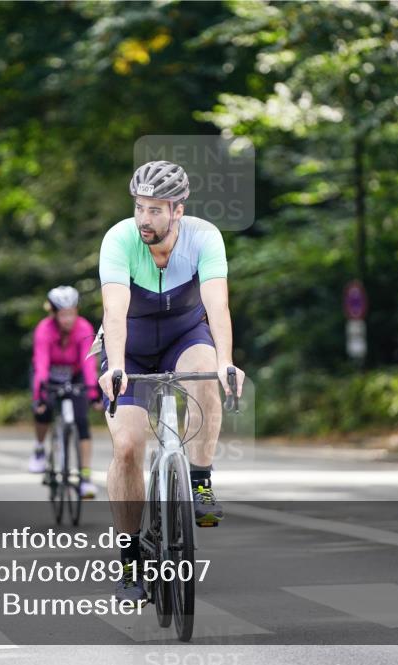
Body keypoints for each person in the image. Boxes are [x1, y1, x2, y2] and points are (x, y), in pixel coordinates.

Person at [97, 160, 245, 602]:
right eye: (140, 208)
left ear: (178, 210)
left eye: (156, 210)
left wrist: (226, 362)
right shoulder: (120, 239)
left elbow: (216, 305)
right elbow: (114, 311)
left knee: (206, 376)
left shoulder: (205, 237)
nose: (145, 219)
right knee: (126, 447)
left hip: (185, 334)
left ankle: (199, 480)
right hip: (132, 345)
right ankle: (129, 563)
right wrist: (116, 366)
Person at [29, 285, 101, 499]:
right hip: (49, 375)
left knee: (81, 421)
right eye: (62, 314)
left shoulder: (85, 328)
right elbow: (41, 363)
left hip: (75, 375)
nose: (67, 319)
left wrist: (93, 394)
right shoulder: (44, 329)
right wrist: (39, 395)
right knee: (44, 409)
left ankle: (85, 479)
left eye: (71, 313)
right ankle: (40, 448)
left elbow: (89, 364)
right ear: (53, 313)